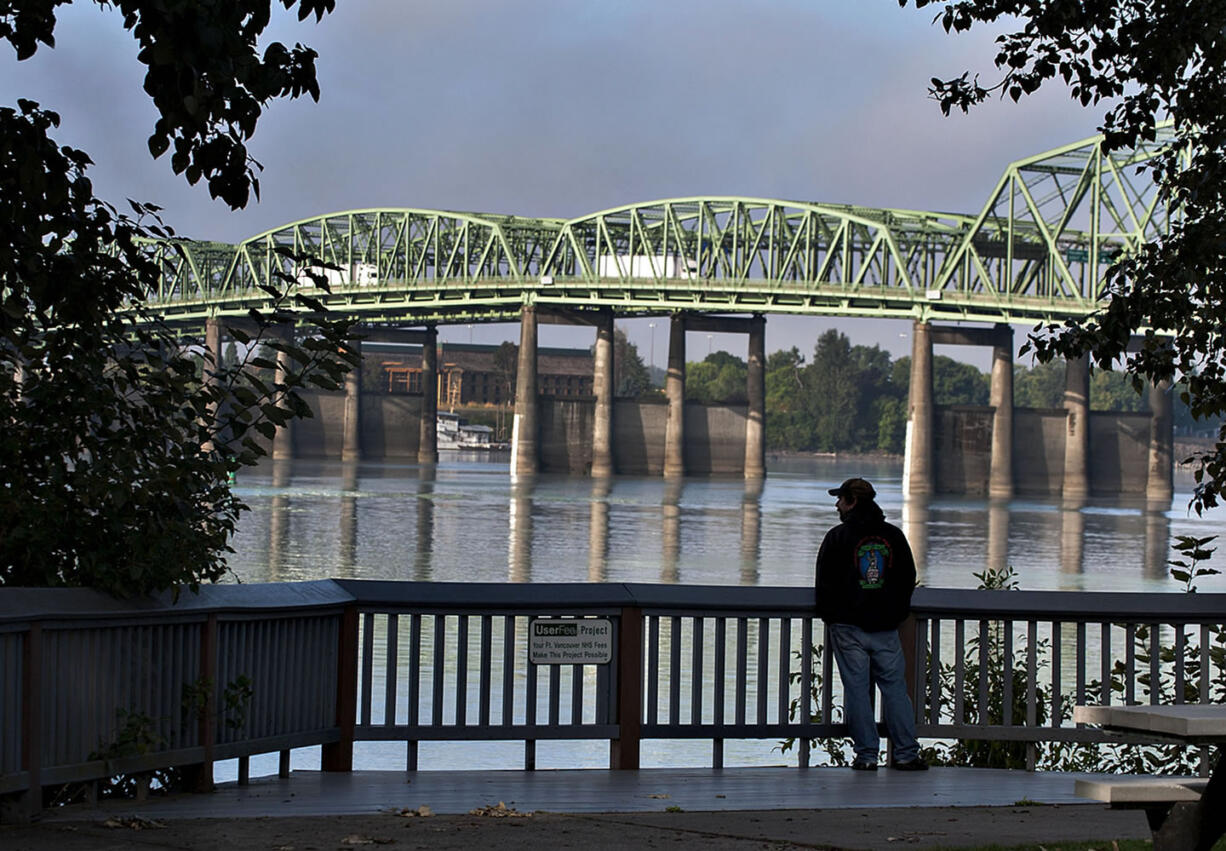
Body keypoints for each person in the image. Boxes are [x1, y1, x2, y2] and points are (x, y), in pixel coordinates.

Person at [815, 477, 927, 771]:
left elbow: (824, 584)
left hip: (848, 626)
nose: (837, 504)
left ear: (852, 501)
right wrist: (896, 613)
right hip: (886, 626)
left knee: (856, 689)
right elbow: (906, 578)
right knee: (894, 689)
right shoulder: (894, 536)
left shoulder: (837, 537)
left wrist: (833, 616)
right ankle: (906, 753)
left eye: (840, 499)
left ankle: (866, 756)